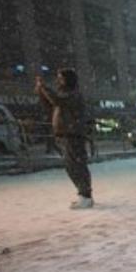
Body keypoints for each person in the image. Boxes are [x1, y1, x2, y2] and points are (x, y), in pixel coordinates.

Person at [35, 68, 93, 209]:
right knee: (71, 166)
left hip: (73, 134)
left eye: (61, 78)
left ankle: (85, 196)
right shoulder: (65, 94)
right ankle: (83, 195)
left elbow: (58, 101)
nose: (58, 81)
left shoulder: (73, 95)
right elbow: (51, 105)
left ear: (68, 80)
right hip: (66, 134)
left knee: (77, 166)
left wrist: (44, 88)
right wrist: (41, 92)